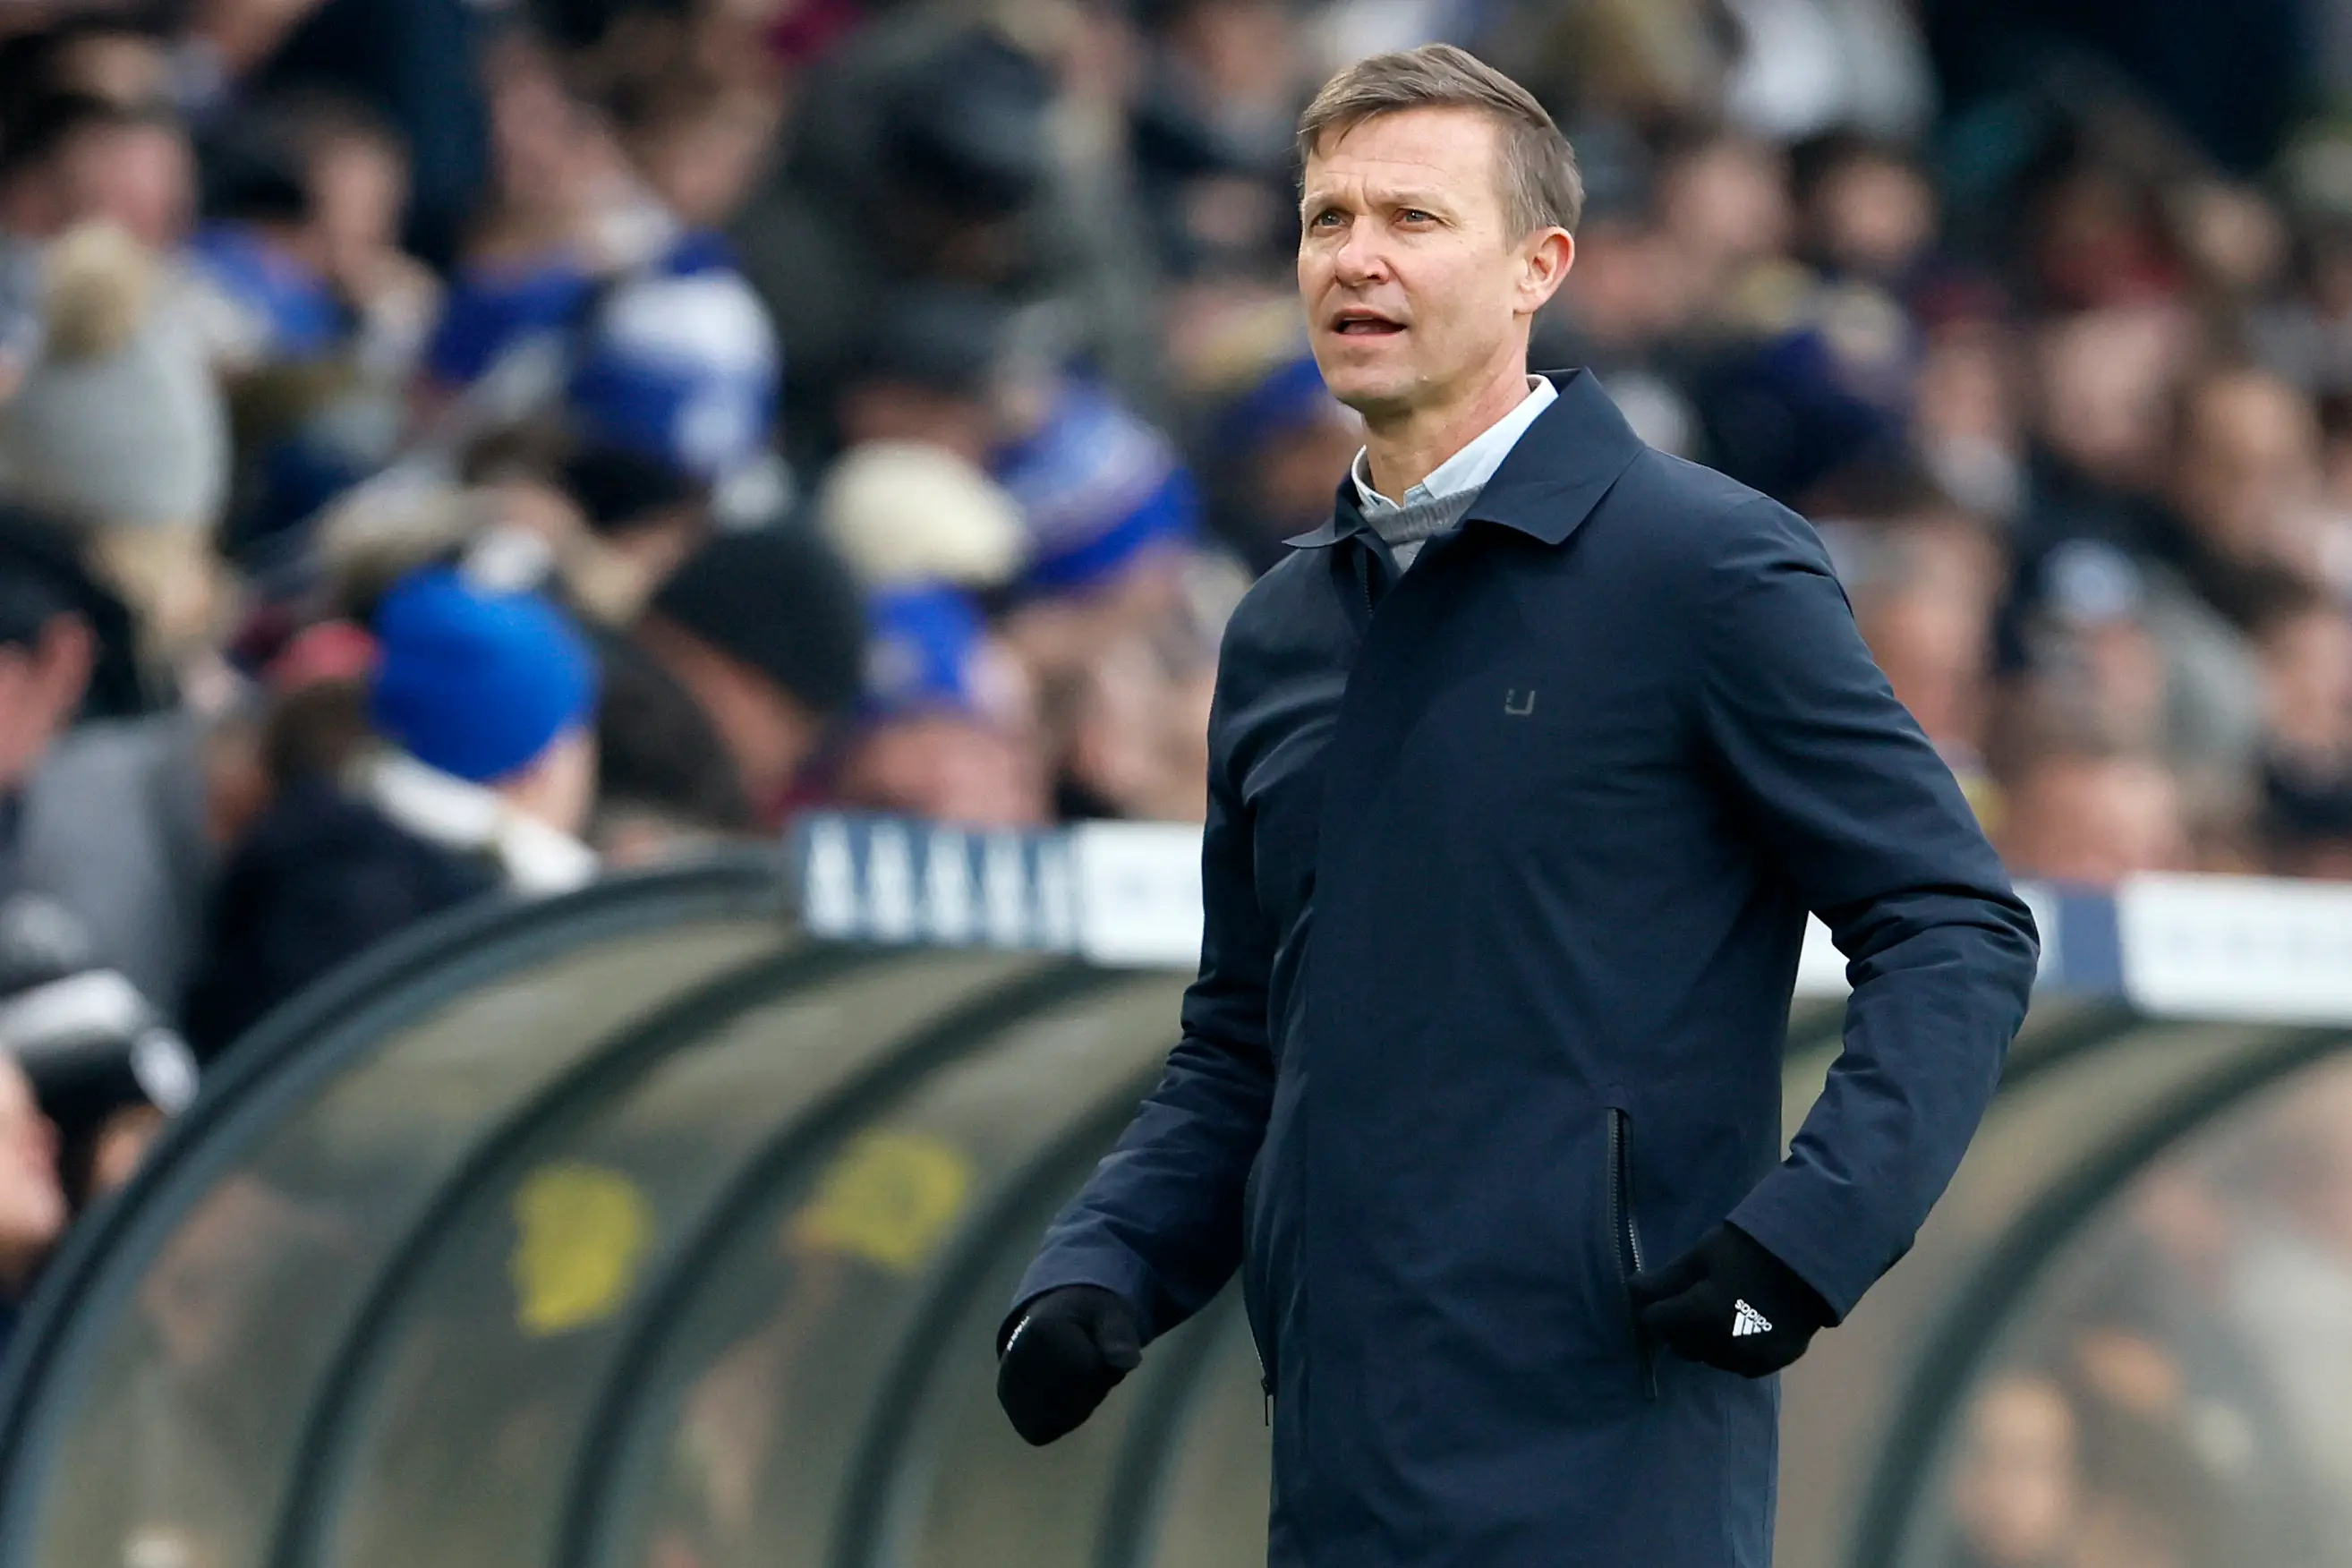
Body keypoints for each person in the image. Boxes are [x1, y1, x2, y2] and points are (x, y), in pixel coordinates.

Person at [993, 44, 2039, 1568]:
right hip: (1339, 1469)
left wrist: (1801, 1248)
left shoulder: (1706, 568)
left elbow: (1954, 927)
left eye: (1412, 219)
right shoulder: (1280, 626)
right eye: (1325, 217)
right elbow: (1241, 1039)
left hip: (1614, 1467)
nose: (1355, 256)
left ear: (1540, 263)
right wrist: (1103, 1266)